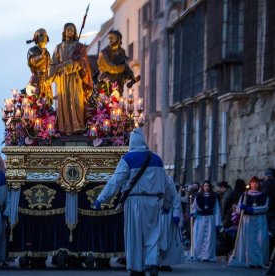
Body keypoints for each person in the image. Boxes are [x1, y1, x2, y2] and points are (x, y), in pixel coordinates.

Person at [95, 128, 167, 276]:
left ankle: (136, 267)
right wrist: (166, 203)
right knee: (152, 235)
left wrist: (101, 198)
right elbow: (166, 183)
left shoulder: (128, 159)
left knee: (134, 235)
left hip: (134, 201)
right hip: (154, 201)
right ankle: (152, 263)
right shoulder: (157, 159)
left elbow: (116, 181)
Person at [50, 22, 93, 135]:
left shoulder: (79, 47)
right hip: (62, 79)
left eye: (72, 30)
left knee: (77, 101)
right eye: (68, 30)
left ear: (75, 32)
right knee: (64, 101)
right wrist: (55, 69)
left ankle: (79, 126)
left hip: (75, 78)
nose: (70, 32)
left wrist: (69, 64)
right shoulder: (58, 47)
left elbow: (82, 62)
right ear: (64, 32)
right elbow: (53, 64)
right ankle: (65, 128)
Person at [228, 176, 269, 268]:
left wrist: (252, 209)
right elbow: (238, 208)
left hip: (259, 220)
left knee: (260, 240)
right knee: (249, 240)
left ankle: (259, 261)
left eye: (256, 182)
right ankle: (250, 261)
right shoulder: (244, 195)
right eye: (253, 182)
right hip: (248, 220)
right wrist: (241, 208)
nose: (255, 184)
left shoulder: (263, 195)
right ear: (250, 184)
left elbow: (265, 207)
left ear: (259, 184)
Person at [158, 176, 185, 271]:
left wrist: (176, 213)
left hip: (166, 214)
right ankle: (154, 262)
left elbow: (175, 198)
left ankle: (165, 262)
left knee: (168, 238)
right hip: (154, 215)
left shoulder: (169, 181)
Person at [191, 180, 222, 262]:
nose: (206, 188)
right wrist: (192, 213)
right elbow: (194, 208)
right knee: (199, 237)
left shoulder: (213, 197)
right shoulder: (198, 196)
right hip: (200, 219)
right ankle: (199, 254)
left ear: (210, 187)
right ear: (202, 187)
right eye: (205, 186)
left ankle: (207, 256)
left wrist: (217, 223)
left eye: (208, 186)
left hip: (210, 219)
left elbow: (216, 210)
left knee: (209, 237)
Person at [26, 28, 53, 104]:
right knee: (37, 102)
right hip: (37, 79)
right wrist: (41, 57)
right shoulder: (32, 50)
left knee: (47, 104)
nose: (44, 37)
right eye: (41, 35)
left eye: (45, 35)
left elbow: (51, 65)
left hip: (47, 80)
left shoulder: (47, 53)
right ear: (36, 38)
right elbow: (33, 61)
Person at [261, 168, 275, 257]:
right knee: (273, 233)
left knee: (265, 233)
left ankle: (265, 255)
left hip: (266, 211)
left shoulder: (263, 184)